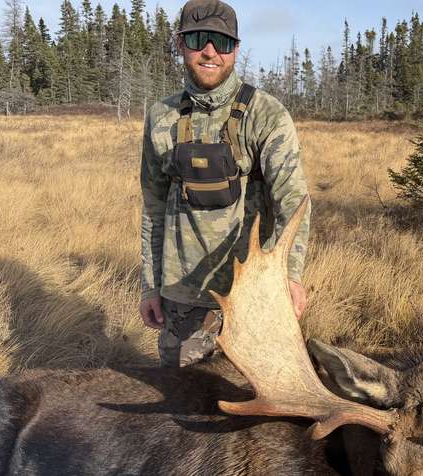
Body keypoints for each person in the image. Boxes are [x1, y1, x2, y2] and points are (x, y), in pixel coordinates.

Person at [138, 0, 310, 368]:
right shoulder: (161, 117)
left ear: (236, 48)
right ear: (180, 44)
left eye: (223, 42)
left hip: (250, 293)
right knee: (182, 408)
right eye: (199, 39)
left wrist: (291, 276)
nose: (211, 51)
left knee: (255, 409)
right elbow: (153, 205)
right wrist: (150, 287)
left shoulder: (267, 114)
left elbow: (292, 203)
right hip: (181, 295)